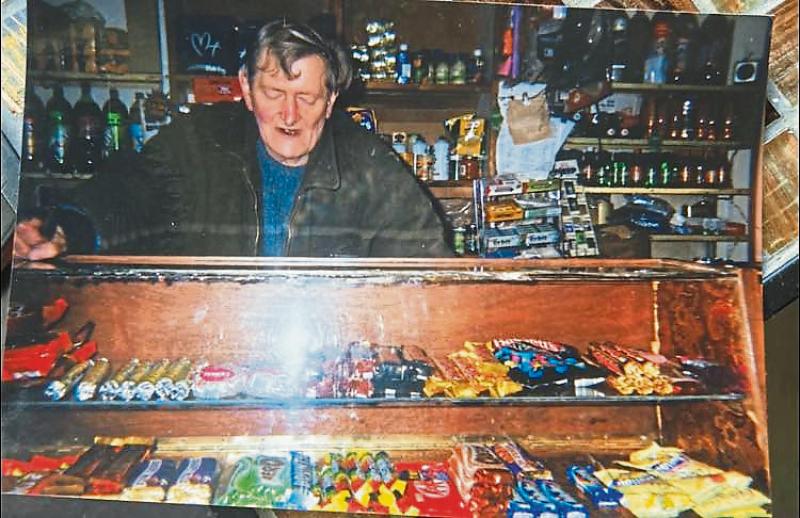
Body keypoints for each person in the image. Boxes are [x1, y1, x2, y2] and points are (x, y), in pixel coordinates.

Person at [14, 20, 452, 259]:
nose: (289, 115)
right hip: (208, 348)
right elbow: (124, 192)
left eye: (307, 97)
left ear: (332, 98)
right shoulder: (198, 140)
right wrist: (67, 229)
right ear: (245, 86)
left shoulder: (371, 163)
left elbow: (426, 262)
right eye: (274, 93)